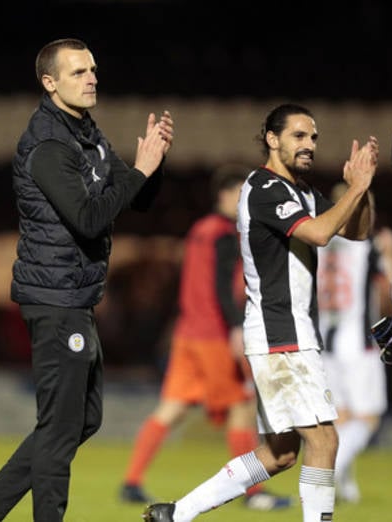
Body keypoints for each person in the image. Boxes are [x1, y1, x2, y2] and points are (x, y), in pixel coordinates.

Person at [0, 38, 174, 522]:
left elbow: (136, 196)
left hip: (76, 294)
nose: (92, 78)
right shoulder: (49, 144)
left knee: (83, 420)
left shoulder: (84, 133)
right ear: (50, 83)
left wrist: (150, 168)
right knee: (59, 425)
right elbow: (89, 218)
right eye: (77, 72)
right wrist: (138, 171)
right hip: (54, 297)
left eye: (93, 69)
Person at [143, 103, 378, 522]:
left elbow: (356, 232)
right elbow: (321, 233)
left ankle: (177, 514)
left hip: (292, 333)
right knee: (324, 440)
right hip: (279, 333)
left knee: (280, 453)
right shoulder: (264, 188)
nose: (309, 145)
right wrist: (355, 190)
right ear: (272, 138)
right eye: (299, 136)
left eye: (314, 137)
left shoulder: (303, 193)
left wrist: (362, 191)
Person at [119, 164, 291, 512]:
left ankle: (132, 481)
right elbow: (221, 289)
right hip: (213, 335)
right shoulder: (226, 234)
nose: (245, 202)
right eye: (241, 195)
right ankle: (255, 494)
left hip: (187, 333)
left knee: (172, 408)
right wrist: (234, 327)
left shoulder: (199, 230)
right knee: (241, 408)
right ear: (225, 195)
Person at [316, 182, 392, 504]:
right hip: (358, 344)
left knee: (342, 418)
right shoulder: (369, 244)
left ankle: (345, 487)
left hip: (326, 343)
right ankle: (331, 471)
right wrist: (390, 253)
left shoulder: (320, 242)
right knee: (368, 419)